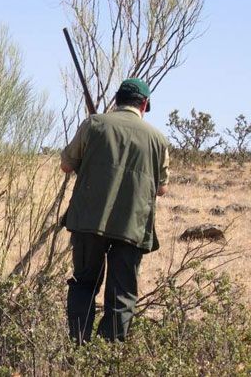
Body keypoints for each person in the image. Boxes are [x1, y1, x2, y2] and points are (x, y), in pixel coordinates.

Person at [60, 78, 169, 343]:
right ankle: (108, 359)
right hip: (132, 227)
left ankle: (79, 350)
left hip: (89, 222)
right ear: (144, 104)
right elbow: (161, 189)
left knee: (84, 285)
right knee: (122, 296)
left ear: (117, 100)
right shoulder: (158, 139)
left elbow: (66, 165)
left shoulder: (95, 124)